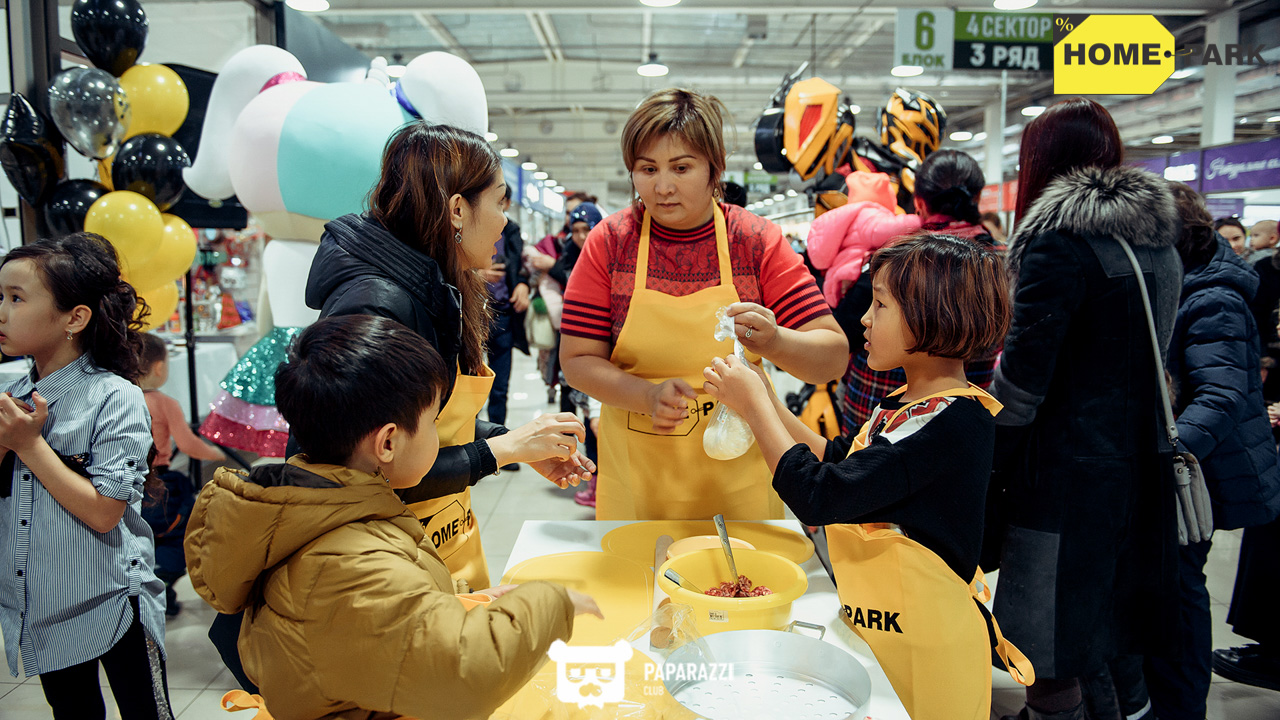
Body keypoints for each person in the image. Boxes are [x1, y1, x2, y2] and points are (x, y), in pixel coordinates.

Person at [185, 315, 601, 720]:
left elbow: (375, 627)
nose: (441, 436)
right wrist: (550, 604)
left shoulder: (332, 504)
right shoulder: (348, 561)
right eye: (433, 422)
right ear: (387, 442)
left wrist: (461, 603)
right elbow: (461, 678)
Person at [703, 233, 1030, 720]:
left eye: (879, 305)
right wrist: (765, 395)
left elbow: (818, 494)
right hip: (884, 635)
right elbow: (835, 460)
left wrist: (753, 405)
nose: (864, 319)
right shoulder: (907, 405)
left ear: (931, 315)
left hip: (928, 651)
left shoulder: (951, 423)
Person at [306, 121, 594, 592]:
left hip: (439, 538)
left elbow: (428, 421)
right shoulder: (376, 306)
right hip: (386, 567)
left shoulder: (435, 286)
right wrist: (502, 450)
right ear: (458, 210)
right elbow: (373, 471)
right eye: (499, 202)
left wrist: (512, 441)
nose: (505, 220)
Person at [560, 87, 846, 521]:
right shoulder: (611, 242)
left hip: (740, 474)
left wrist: (775, 341)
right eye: (647, 168)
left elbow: (831, 359)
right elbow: (578, 359)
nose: (662, 186)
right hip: (641, 476)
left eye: (681, 167)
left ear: (715, 168)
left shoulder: (755, 241)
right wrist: (645, 395)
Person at [987, 98, 1182, 720]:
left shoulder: (1056, 249)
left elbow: (1022, 382)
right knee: (1115, 636)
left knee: (1049, 647)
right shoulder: (1159, 247)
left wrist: (989, 453)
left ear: (1042, 162)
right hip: (1140, 471)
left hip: (1063, 483)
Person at [0, 232, 171, 719]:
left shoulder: (113, 396)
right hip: (45, 601)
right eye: (0, 297)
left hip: (111, 597)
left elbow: (103, 512)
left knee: (146, 712)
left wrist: (29, 444)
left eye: (16, 298)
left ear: (75, 318)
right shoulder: (12, 395)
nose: (2, 312)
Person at [1140, 182, 1280, 719]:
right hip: (1196, 469)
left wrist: (1167, 454)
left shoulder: (1211, 295)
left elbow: (1218, 397)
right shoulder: (1192, 284)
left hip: (1202, 475)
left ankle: (1177, 709)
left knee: (1179, 591)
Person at [832, 149, 998, 432]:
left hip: (882, 408)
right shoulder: (999, 259)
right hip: (967, 409)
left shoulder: (902, 257)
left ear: (919, 201)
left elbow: (846, 327)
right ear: (978, 198)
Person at [137, 333, 225, 617]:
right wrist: (216, 455)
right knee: (177, 534)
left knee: (141, 537)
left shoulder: (117, 397)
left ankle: (145, 586)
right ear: (160, 368)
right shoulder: (164, 403)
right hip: (158, 483)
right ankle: (164, 579)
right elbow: (187, 445)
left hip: (126, 483)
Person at [481, 184, 531, 431]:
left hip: (503, 314)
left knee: (500, 385)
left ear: (509, 203)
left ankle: (497, 441)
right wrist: (479, 274)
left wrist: (523, 284)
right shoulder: (474, 227)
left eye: (502, 200)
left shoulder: (511, 231)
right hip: (474, 313)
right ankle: (467, 442)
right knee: (468, 382)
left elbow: (519, 266)